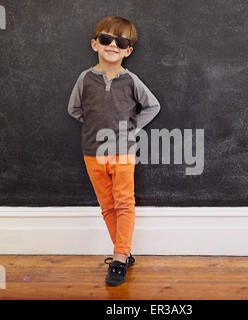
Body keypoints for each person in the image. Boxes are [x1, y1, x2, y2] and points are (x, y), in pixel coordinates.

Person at [67, 16, 161, 286]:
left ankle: (119, 257)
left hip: (123, 152)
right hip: (92, 153)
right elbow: (73, 109)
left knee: (124, 202)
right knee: (107, 205)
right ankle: (124, 252)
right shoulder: (84, 79)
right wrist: (96, 125)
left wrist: (131, 129)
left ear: (127, 50)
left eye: (120, 42)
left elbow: (152, 106)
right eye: (106, 40)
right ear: (95, 44)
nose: (112, 45)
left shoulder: (131, 80)